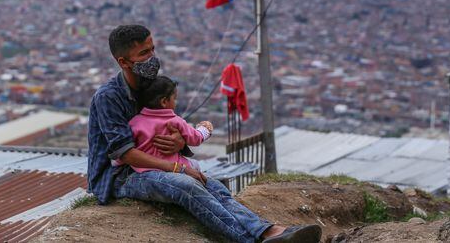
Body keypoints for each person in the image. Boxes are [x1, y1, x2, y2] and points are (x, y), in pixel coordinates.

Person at [88, 24, 321, 243]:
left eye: (152, 50)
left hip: (154, 165)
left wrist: (179, 142)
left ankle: (268, 230)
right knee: (185, 185)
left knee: (213, 185)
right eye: (143, 53)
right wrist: (178, 168)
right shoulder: (109, 97)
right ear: (123, 62)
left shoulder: (149, 87)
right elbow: (125, 153)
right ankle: (251, 239)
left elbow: (165, 124)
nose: (152, 58)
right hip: (119, 175)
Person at [116, 75, 213, 176]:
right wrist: (205, 129)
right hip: (176, 167)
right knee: (196, 165)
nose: (176, 102)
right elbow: (195, 139)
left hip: (143, 170)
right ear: (164, 102)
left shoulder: (134, 122)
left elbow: (123, 154)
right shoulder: (176, 121)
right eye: (174, 99)